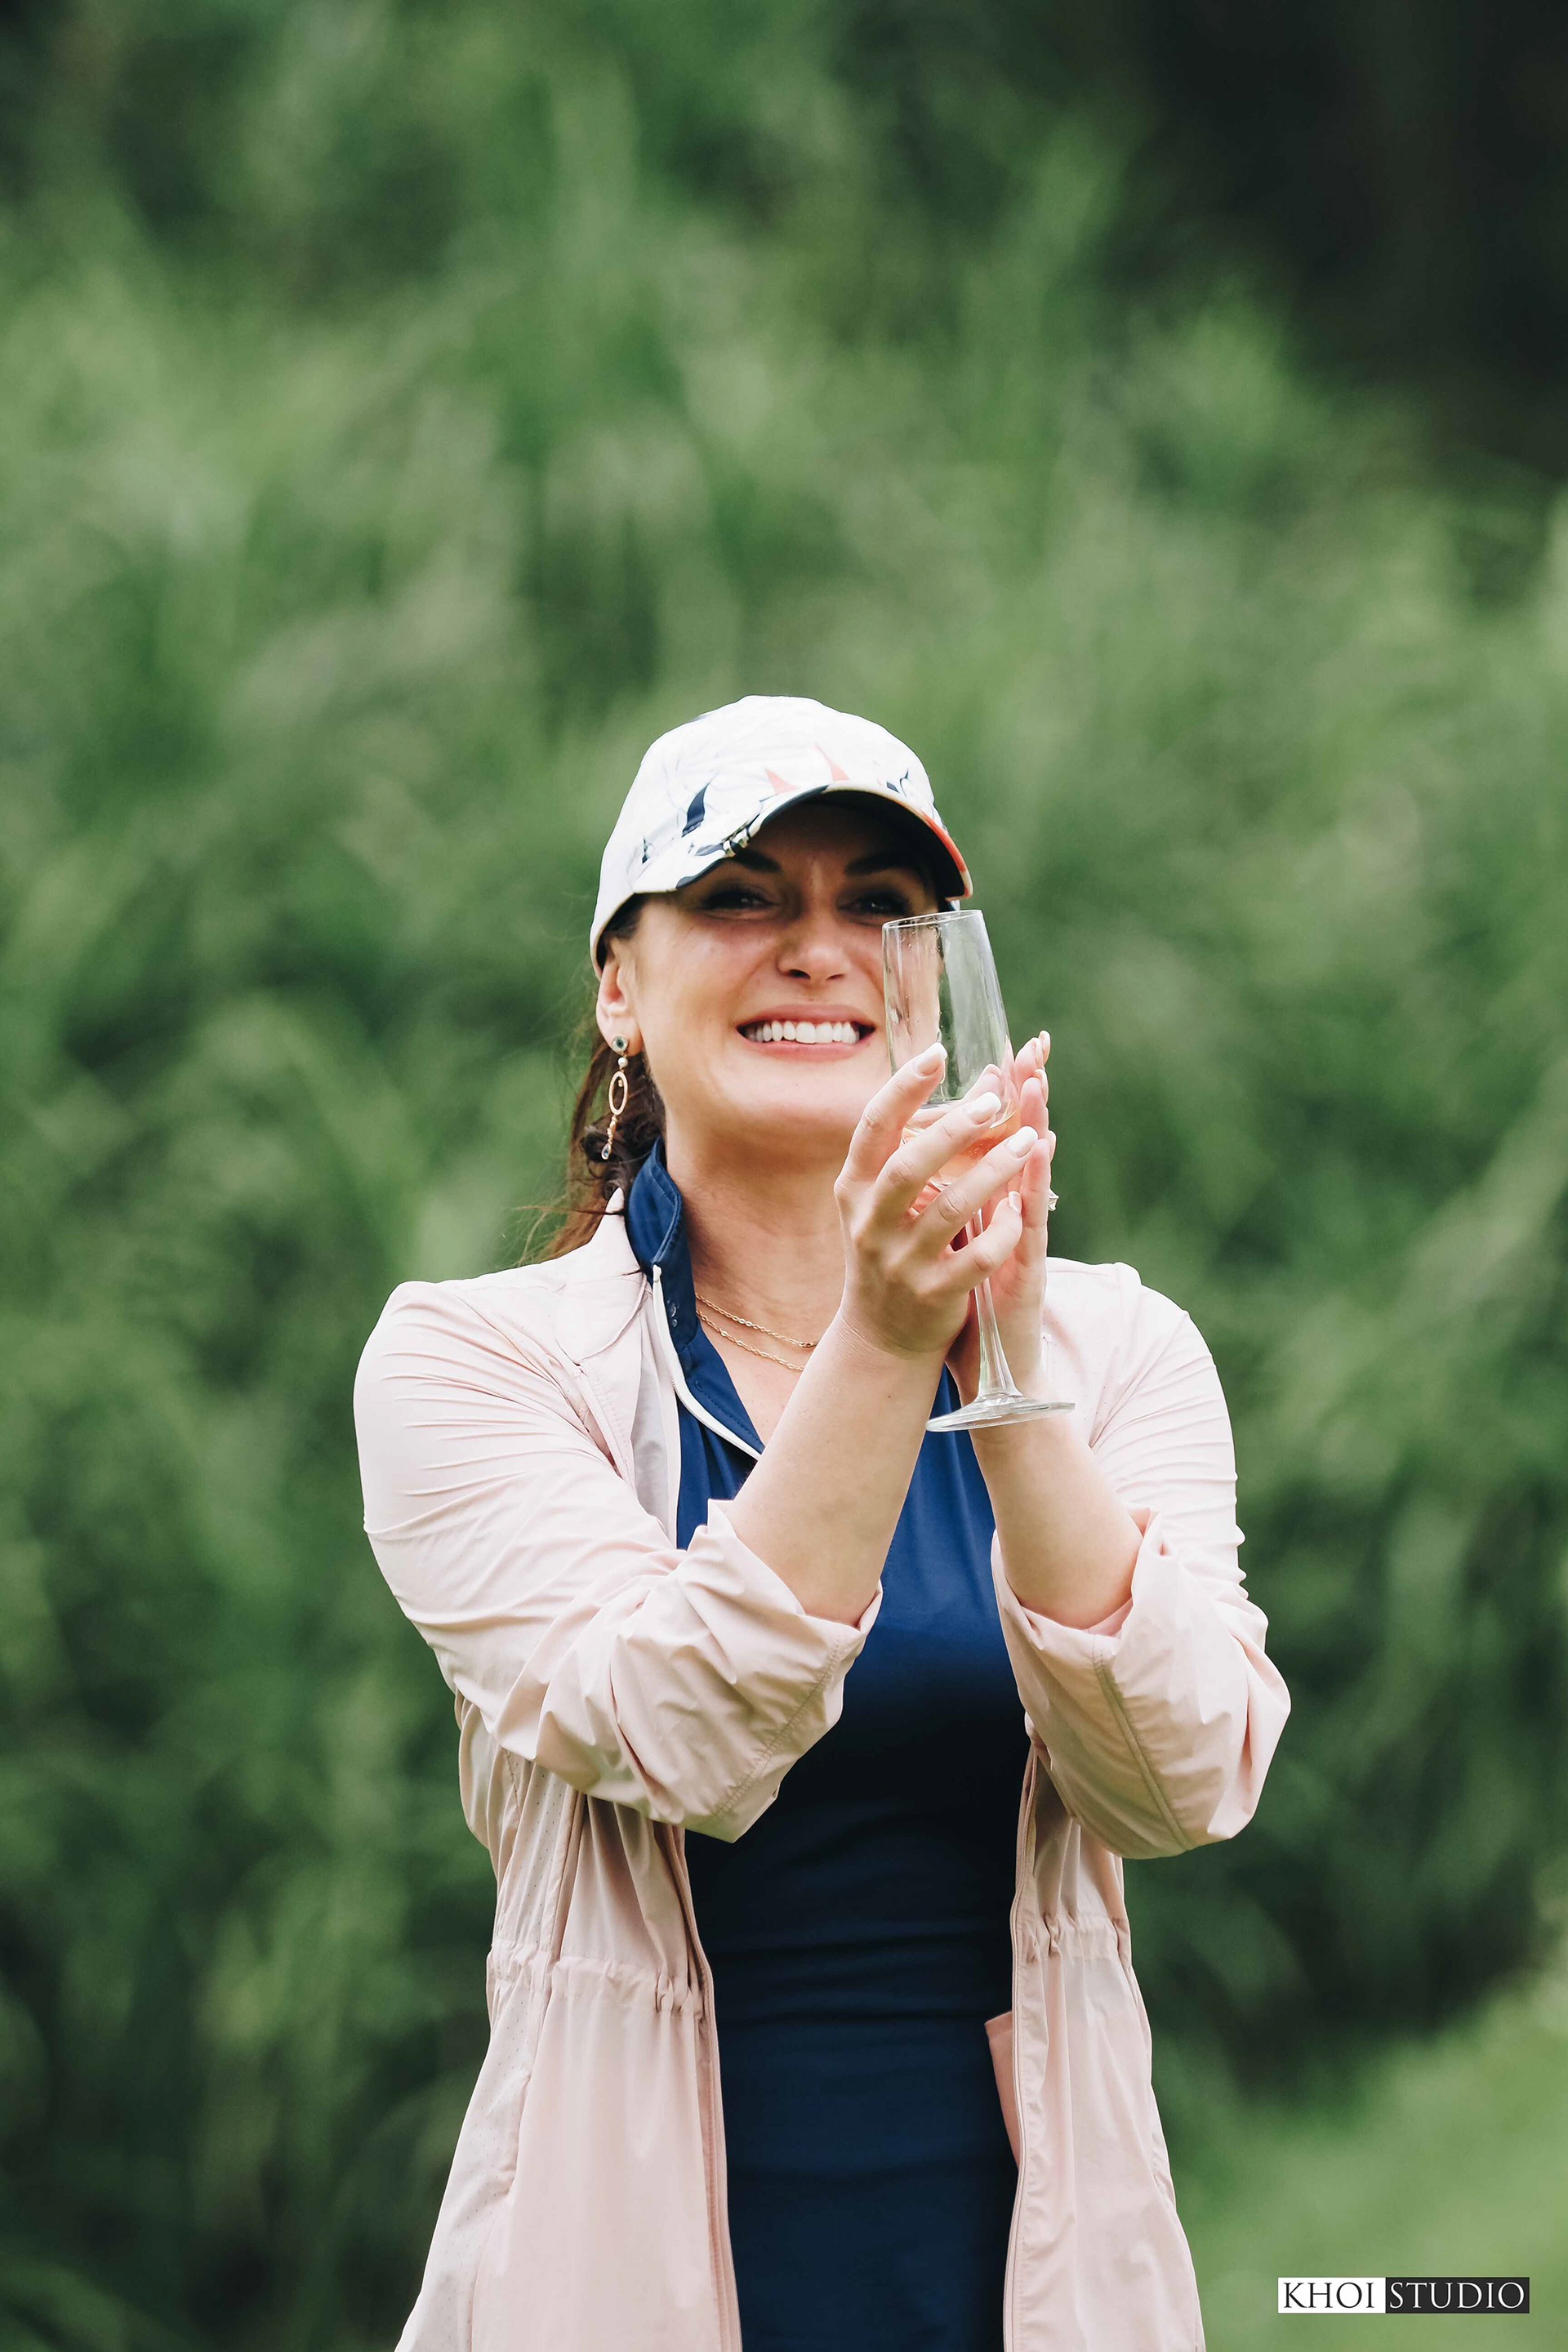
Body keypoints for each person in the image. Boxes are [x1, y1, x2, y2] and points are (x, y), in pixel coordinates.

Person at [354, 694, 1290, 2352]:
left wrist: (1002, 1371)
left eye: (878, 903)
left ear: (936, 979)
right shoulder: (478, 1362)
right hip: (620, 2287)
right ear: (617, 984)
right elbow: (683, 1733)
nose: (819, 947)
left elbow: (1183, 1776)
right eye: (738, 896)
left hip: (1029, 2291)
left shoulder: (1113, 1348)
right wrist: (883, 1339)